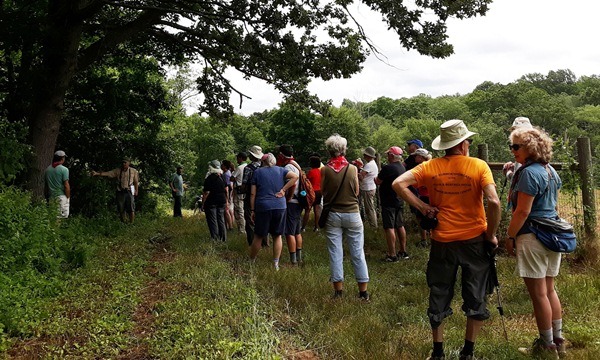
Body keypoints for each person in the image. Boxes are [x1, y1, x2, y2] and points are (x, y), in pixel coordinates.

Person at [392, 119, 501, 360]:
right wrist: (491, 235)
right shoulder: (479, 166)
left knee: (439, 290)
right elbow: (493, 201)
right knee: (476, 293)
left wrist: (422, 207)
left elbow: (398, 183)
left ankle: (438, 351)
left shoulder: (429, 167)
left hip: (442, 240)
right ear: (463, 144)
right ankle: (468, 352)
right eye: (468, 141)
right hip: (474, 239)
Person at [506, 127, 566, 359]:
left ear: (530, 147)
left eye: (516, 146)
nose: (512, 151)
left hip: (533, 236)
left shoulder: (529, 174)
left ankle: (546, 346)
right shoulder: (550, 171)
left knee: (539, 294)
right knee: (550, 289)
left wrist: (510, 236)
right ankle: (558, 340)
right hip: (553, 234)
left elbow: (522, 211)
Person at [321, 134, 370, 300]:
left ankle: (338, 291)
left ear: (329, 150)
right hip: (353, 213)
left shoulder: (325, 170)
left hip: (333, 214)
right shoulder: (353, 169)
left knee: (335, 252)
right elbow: (356, 191)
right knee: (357, 252)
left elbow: (324, 192)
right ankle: (363, 292)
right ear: (343, 149)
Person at [249, 153, 298, 270]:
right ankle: (275, 263)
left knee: (259, 236)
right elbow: (295, 177)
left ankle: (251, 261)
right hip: (280, 206)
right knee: (277, 236)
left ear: (263, 162)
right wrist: (283, 190)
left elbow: (252, 194)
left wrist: (252, 210)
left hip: (263, 206)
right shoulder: (281, 171)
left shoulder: (257, 172)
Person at [375, 146, 408, 261]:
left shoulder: (388, 168)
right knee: (400, 225)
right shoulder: (402, 168)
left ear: (392, 155)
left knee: (389, 227)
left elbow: (378, 181)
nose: (387, 156)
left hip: (388, 200)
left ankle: (392, 254)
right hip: (399, 200)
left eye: (388, 154)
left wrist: (376, 178)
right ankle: (403, 251)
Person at [277, 144, 304, 265]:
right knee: (297, 231)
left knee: (289, 232)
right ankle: (299, 257)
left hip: (292, 202)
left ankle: (293, 260)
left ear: (282, 155)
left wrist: (287, 198)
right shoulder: (296, 164)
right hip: (299, 201)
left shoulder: (288, 166)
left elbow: (292, 184)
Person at [92, 157, 139, 223]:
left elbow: (136, 182)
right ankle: (123, 222)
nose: (124, 164)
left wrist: (136, 190)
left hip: (129, 191)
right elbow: (108, 173)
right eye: (123, 162)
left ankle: (131, 223)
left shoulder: (133, 171)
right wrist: (97, 173)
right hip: (120, 191)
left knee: (131, 208)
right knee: (121, 208)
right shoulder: (118, 171)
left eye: (125, 162)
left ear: (129, 163)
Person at [408, 148, 432, 247]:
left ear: (421, 157)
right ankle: (431, 239)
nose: (414, 157)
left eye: (416, 156)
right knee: (430, 217)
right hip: (430, 195)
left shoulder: (422, 168)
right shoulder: (430, 166)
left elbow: (415, 183)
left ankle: (424, 240)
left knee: (421, 218)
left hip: (424, 196)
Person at [241, 146, 263, 246]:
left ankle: (252, 242)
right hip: (263, 196)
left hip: (251, 196)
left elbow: (244, 185)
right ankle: (264, 242)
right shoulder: (264, 167)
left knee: (249, 219)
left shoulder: (248, 169)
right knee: (262, 219)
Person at [202, 160, 228, 241]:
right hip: (222, 201)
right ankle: (223, 238)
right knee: (221, 220)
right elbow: (226, 189)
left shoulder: (209, 178)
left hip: (211, 202)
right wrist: (227, 200)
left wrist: (203, 203)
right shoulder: (222, 176)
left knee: (213, 220)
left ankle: (215, 239)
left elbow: (206, 193)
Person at [503, 117, 534, 181]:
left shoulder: (528, 171)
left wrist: (508, 172)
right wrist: (513, 166)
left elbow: (517, 181)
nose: (512, 151)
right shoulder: (536, 158)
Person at [44, 150, 70, 218]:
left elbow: (46, 185)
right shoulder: (64, 169)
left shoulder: (48, 169)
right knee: (60, 217)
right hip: (61, 196)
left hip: (51, 196)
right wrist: (68, 197)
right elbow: (66, 185)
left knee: (52, 216)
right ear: (62, 158)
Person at [359, 146, 378, 227]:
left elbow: (361, 177)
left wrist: (353, 171)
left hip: (368, 189)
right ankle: (373, 225)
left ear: (368, 156)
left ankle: (373, 226)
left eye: (365, 155)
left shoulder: (369, 165)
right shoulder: (371, 164)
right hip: (370, 188)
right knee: (369, 207)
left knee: (369, 208)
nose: (364, 156)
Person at [302, 155, 323, 232]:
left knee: (308, 209)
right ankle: (316, 227)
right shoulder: (321, 172)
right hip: (319, 192)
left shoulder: (311, 172)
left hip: (311, 192)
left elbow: (306, 181)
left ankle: (303, 227)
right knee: (317, 210)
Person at [231, 152, 248, 233]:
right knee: (244, 209)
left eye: (237, 158)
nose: (237, 160)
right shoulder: (248, 166)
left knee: (239, 210)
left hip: (239, 191)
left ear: (241, 158)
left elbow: (232, 178)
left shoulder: (239, 168)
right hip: (246, 191)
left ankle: (242, 229)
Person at [221, 159, 235, 230]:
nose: (221, 166)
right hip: (230, 194)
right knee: (230, 210)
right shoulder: (229, 172)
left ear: (225, 166)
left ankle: (230, 226)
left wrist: (227, 198)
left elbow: (227, 187)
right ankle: (231, 224)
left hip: (227, 194)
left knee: (226, 210)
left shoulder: (225, 175)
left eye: (222, 165)